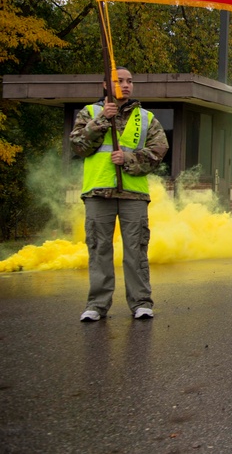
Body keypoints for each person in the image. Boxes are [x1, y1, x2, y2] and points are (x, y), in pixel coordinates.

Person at [70, 66, 169, 322]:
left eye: (129, 81)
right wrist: (102, 119)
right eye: (119, 81)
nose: (126, 85)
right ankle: (97, 305)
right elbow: (78, 146)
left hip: (133, 195)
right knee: (99, 248)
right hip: (97, 192)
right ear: (105, 85)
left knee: (136, 250)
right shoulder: (90, 113)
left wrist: (128, 158)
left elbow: (159, 151)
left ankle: (141, 303)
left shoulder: (145, 117)